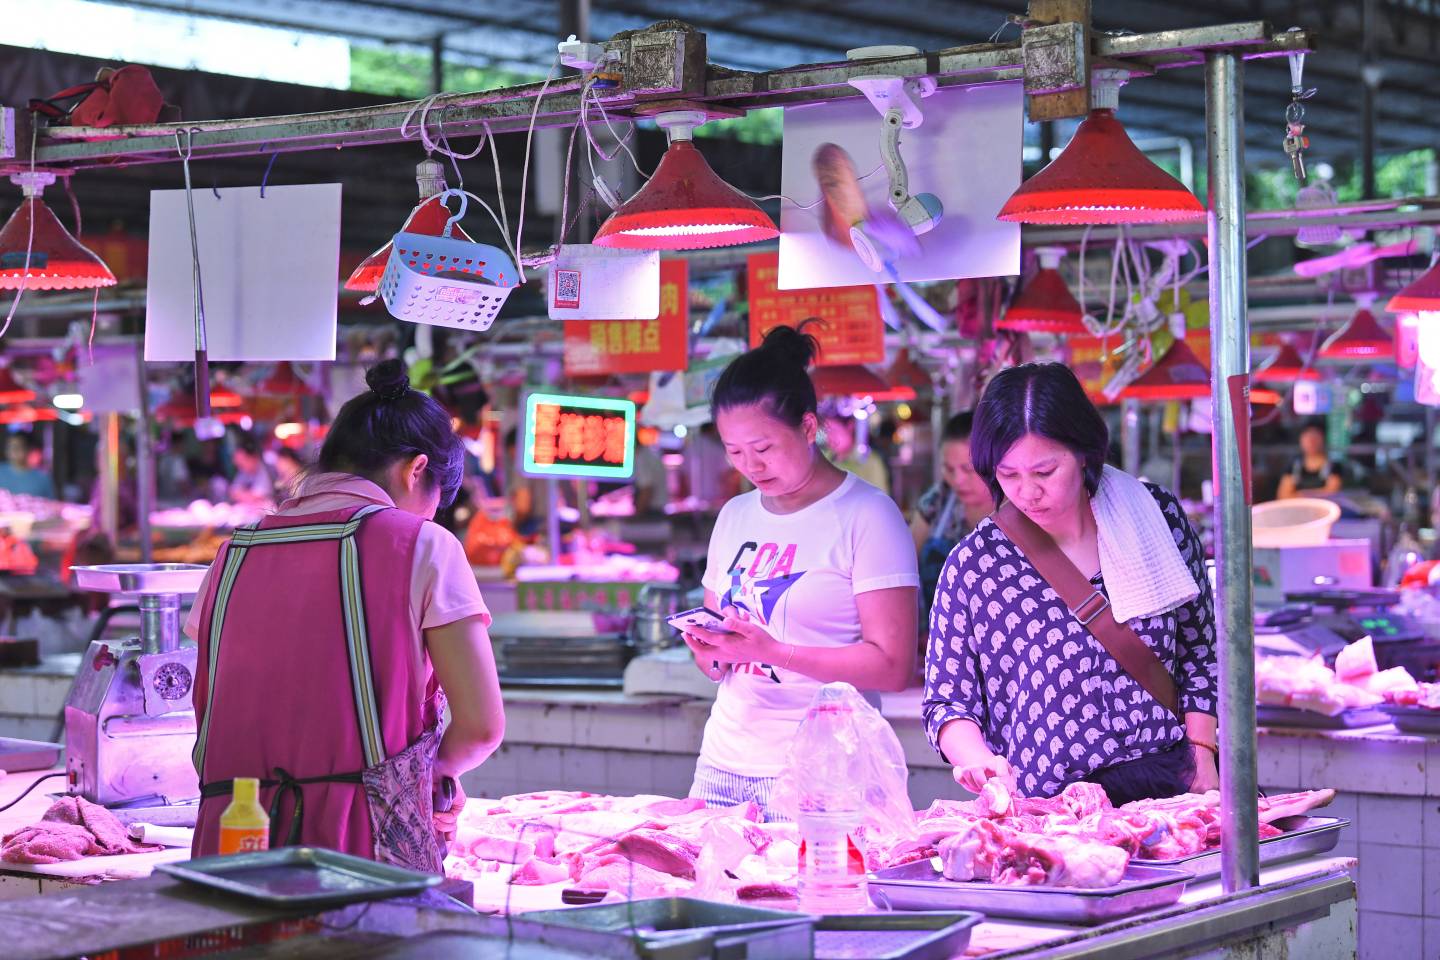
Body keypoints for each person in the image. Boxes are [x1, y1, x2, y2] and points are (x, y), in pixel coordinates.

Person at [184, 360, 505, 870]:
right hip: (360, 851)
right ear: (415, 469)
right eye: (433, 502)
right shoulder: (423, 545)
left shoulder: (233, 553)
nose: (427, 516)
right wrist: (428, 773)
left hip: (230, 844)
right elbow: (482, 727)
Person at [923, 363, 1218, 805]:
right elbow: (947, 702)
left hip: (1177, 793)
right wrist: (979, 762)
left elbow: (1202, 649)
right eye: (1008, 475)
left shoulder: (1155, 516)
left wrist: (1203, 754)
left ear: (1083, 452)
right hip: (1057, 814)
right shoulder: (976, 565)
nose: (1027, 492)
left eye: (1044, 472)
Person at [678, 325, 919, 820]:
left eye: (763, 448)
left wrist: (774, 652)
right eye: (734, 450)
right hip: (724, 763)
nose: (750, 465)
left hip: (827, 769)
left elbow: (893, 667)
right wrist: (711, 650)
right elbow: (717, 643)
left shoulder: (867, 515)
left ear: (809, 428)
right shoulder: (735, 515)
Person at [910, 412, 992, 620]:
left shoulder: (1019, 508)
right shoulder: (937, 501)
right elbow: (904, 568)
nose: (958, 480)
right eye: (948, 469)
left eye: (968, 469)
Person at [822, 408, 891, 496]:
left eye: (834, 431)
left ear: (850, 427)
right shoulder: (824, 459)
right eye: (827, 432)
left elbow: (881, 499)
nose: (830, 437)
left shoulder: (870, 462)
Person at [1276, 423, 1342, 499]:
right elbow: (1283, 495)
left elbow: (1332, 492)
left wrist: (1300, 494)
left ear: (1323, 439)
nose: (1311, 442)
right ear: (1301, 440)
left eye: (1315, 438)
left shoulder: (1333, 466)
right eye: (1307, 438)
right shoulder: (1294, 466)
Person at [0, 433, 54, 498]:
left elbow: (51, 504)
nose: (13, 451)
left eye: (17, 447)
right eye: (9, 447)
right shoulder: (1, 472)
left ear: (27, 449)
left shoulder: (42, 478)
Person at [228, 433, 275, 507]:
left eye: (243, 461)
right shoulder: (243, 471)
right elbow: (233, 492)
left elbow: (258, 497)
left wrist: (242, 494)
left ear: (253, 458)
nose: (240, 466)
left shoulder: (265, 470)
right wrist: (246, 495)